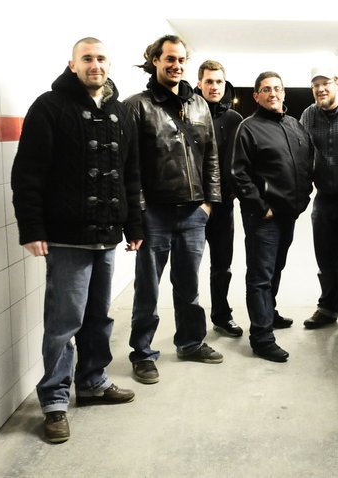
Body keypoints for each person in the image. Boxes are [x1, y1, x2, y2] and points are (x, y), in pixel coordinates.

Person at [11, 37, 143, 443]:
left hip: (107, 235)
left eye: (101, 58)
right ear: (73, 64)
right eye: (87, 58)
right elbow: (27, 173)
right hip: (67, 237)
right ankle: (54, 401)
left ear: (109, 64)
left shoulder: (120, 112)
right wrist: (32, 228)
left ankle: (92, 382)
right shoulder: (49, 107)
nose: (95, 64)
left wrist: (134, 225)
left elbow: (131, 174)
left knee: (99, 317)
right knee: (63, 322)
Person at [125, 35, 223, 385]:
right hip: (155, 214)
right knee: (147, 289)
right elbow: (129, 165)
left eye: (181, 59)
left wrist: (209, 203)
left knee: (189, 285)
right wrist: (138, 213)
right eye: (169, 58)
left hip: (194, 213)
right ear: (155, 60)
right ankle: (142, 353)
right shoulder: (136, 106)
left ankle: (191, 342)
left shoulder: (198, 105)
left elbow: (211, 156)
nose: (176, 65)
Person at [231, 71, 314, 362]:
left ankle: (269, 312)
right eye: (266, 89)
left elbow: (306, 162)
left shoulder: (294, 125)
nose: (273, 93)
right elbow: (238, 173)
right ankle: (261, 336)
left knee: (275, 268)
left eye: (277, 88)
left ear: (284, 93)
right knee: (260, 276)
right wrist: (259, 206)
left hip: (288, 214)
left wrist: (304, 196)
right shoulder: (248, 128)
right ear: (256, 96)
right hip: (264, 217)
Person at [299, 67, 338, 345]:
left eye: (325, 83)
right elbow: (302, 154)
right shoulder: (308, 115)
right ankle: (327, 308)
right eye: (316, 85)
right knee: (325, 260)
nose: (321, 89)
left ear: (336, 83)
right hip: (323, 198)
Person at [195, 60, 244, 338]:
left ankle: (222, 316)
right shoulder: (188, 112)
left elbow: (241, 160)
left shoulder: (235, 119)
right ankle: (190, 326)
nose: (214, 87)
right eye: (209, 81)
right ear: (199, 83)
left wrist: (235, 191)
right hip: (193, 206)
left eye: (219, 82)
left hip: (224, 206)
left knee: (222, 265)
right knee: (188, 268)